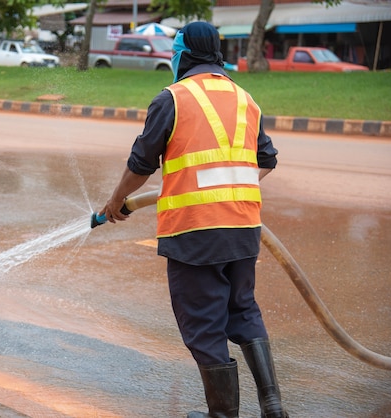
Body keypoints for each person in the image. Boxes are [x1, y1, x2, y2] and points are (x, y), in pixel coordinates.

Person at [99, 22, 288, 418]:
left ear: (183, 54)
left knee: (203, 323)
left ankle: (223, 415)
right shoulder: (244, 98)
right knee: (243, 310)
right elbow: (266, 160)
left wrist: (116, 201)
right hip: (243, 227)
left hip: (195, 230)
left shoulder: (172, 98)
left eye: (173, 50)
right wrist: (231, 187)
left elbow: (141, 164)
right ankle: (273, 406)